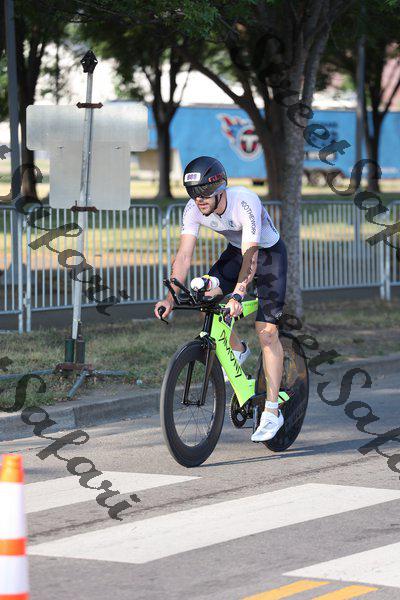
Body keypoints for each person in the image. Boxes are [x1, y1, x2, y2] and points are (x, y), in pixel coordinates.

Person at [154, 156, 288, 442]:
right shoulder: (193, 208)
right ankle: (237, 350)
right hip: (236, 253)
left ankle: (272, 410)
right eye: (193, 193)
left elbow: (252, 255)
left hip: (267, 255)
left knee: (267, 332)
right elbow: (184, 255)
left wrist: (238, 294)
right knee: (205, 297)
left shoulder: (245, 202)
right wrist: (170, 298)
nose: (199, 199)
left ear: (220, 189)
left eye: (204, 193)